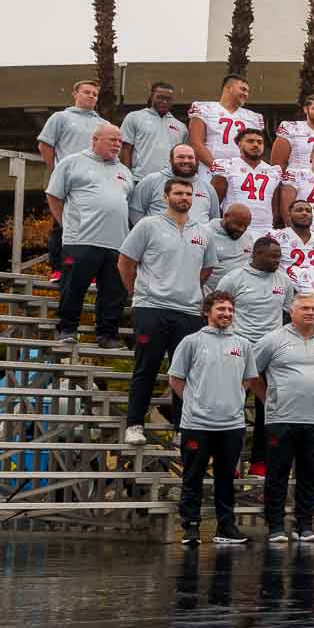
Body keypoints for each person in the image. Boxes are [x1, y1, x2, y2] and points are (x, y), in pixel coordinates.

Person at [117, 178, 210, 442]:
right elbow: (125, 261)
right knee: (147, 367)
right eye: (178, 193)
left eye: (188, 193)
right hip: (151, 307)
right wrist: (134, 291)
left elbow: (207, 269)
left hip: (189, 311)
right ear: (166, 196)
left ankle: (183, 427)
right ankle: (135, 424)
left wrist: (187, 287)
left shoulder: (202, 231)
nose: (184, 197)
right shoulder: (148, 225)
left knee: (186, 372)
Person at [247, 292, 314, 543]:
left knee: (309, 475)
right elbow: (251, 373)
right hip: (282, 418)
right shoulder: (272, 339)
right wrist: (269, 398)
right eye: (305, 308)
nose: (310, 312)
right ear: (292, 311)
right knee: (277, 473)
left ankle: (304, 525)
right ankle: (276, 525)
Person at [168, 293, 252, 545]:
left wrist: (234, 399)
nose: (226, 313)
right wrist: (195, 403)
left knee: (226, 478)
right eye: (221, 309)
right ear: (207, 311)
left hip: (232, 424)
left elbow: (247, 380)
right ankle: (191, 527)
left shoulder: (243, 344)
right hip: (197, 424)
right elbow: (176, 379)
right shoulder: (191, 342)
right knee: (192, 476)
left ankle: (226, 527)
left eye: (230, 309)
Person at [46, 123, 133, 347]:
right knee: (74, 286)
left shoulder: (124, 171)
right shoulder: (72, 163)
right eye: (112, 139)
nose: (117, 144)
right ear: (95, 139)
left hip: (116, 242)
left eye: (120, 141)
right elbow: (54, 196)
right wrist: (65, 223)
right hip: (81, 239)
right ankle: (67, 329)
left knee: (113, 292)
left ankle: (107, 334)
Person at [217, 235, 291, 474]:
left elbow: (290, 312)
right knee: (233, 404)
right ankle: (229, 459)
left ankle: (260, 461)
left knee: (266, 406)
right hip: (240, 348)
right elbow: (217, 310)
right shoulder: (234, 278)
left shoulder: (284, 281)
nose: (277, 260)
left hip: (271, 353)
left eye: (279, 256)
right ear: (256, 254)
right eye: (272, 256)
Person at [209, 127, 282, 231]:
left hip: (265, 228)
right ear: (239, 144)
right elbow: (215, 202)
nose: (256, 144)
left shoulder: (273, 171)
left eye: (260, 142)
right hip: (234, 227)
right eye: (250, 141)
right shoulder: (227, 166)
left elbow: (275, 207)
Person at [186, 74, 263, 170]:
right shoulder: (204, 108)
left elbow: (257, 148)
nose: (246, 94)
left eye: (248, 91)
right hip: (209, 170)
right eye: (243, 89)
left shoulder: (253, 117)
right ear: (228, 88)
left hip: (241, 172)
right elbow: (196, 142)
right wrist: (216, 167)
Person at [130, 144, 216, 224]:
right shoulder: (151, 180)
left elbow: (214, 219)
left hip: (198, 239)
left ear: (196, 161)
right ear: (170, 160)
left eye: (190, 157)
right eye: (180, 157)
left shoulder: (207, 188)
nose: (186, 161)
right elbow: (135, 211)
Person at [119, 81, 185, 178]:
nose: (164, 102)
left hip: (170, 181)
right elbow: (125, 149)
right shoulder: (134, 117)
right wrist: (127, 177)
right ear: (152, 96)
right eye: (160, 97)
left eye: (169, 99)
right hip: (139, 179)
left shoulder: (181, 127)